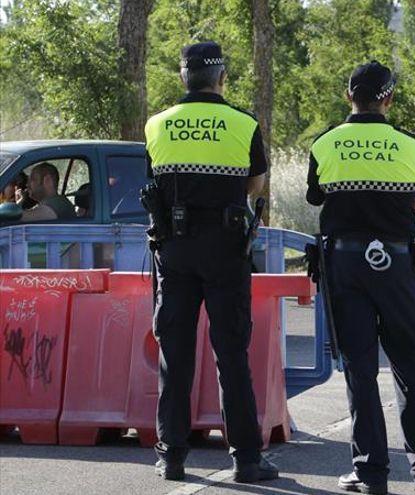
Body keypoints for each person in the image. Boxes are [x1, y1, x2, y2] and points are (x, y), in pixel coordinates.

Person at [306, 60, 415, 495]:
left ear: (347, 96)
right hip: (394, 265)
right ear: (388, 98)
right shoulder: (408, 145)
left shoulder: (326, 143)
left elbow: (317, 196)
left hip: (345, 266)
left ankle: (370, 474)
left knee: (359, 370)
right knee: (411, 365)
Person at [144, 41, 278, 484]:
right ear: (222, 78)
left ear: (183, 77)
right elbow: (255, 185)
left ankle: (171, 457)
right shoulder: (243, 124)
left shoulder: (157, 125)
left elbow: (155, 183)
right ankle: (245, 459)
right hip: (225, 250)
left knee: (175, 356)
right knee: (231, 355)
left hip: (174, 250)